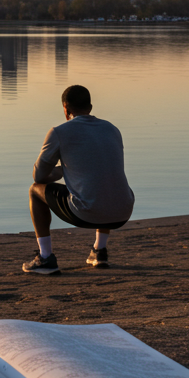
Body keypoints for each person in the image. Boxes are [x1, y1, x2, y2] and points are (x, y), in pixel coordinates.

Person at [23, 85, 135, 275]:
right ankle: (99, 251)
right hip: (123, 210)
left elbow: (39, 176)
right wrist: (68, 169)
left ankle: (45, 257)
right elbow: (100, 169)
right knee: (103, 183)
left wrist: (61, 170)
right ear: (90, 107)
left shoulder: (59, 132)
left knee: (35, 190)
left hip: (87, 212)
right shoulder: (112, 129)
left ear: (66, 108)